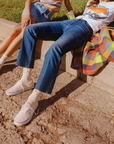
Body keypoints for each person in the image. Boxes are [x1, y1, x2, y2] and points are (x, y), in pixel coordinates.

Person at [6, 0, 114, 126]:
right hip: (69, 22)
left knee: (55, 49)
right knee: (30, 30)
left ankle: (33, 99)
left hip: (84, 28)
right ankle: (26, 79)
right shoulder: (94, 2)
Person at [0, 0, 74, 70]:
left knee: (15, 32)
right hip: (34, 10)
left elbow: (67, 3)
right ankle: (2, 61)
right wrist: (27, 14)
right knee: (24, 33)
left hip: (44, 17)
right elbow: (28, 1)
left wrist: (73, 18)